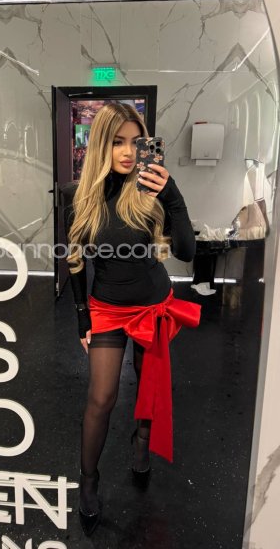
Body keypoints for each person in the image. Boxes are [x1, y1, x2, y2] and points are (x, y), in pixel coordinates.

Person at [60, 103, 201, 536]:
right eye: (117, 142)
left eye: (135, 142)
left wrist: (173, 196)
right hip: (106, 308)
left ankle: (141, 441)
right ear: (101, 145)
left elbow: (187, 252)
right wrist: (82, 318)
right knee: (101, 397)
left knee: (148, 384)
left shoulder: (152, 192)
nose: (127, 151)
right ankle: (89, 481)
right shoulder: (79, 199)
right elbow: (76, 262)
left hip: (152, 305)